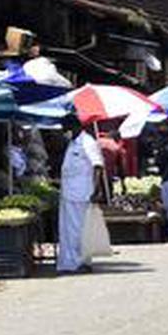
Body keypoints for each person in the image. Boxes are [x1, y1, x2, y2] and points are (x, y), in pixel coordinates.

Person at [57, 116, 105, 274]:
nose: (65, 132)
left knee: (79, 229)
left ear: (75, 127)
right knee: (67, 230)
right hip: (68, 193)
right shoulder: (72, 143)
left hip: (82, 193)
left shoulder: (88, 142)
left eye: (66, 129)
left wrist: (97, 190)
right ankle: (69, 263)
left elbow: (97, 166)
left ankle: (81, 262)